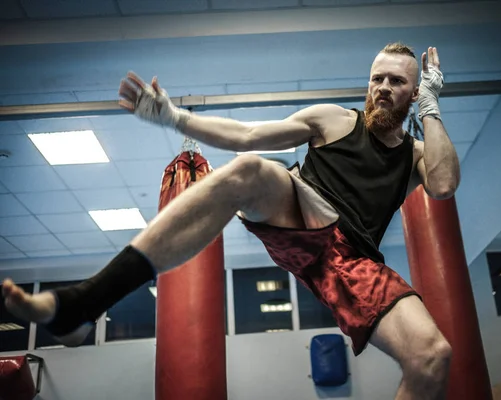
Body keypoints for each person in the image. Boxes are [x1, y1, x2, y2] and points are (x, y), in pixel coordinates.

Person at [2, 42, 459, 399]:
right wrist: (173, 116)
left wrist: (432, 106)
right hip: (302, 218)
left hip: (358, 266)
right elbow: (248, 135)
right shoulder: (334, 120)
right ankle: (84, 302)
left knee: (432, 357)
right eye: (376, 77)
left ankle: (81, 308)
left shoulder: (417, 154)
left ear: (413, 92)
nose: (382, 87)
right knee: (251, 167)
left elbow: (442, 185)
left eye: (396, 81)